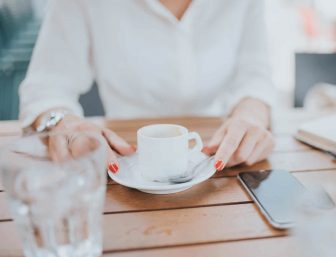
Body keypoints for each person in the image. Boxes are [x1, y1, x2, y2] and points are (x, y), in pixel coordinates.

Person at [20, 0, 276, 173]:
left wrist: (250, 116)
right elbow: (45, 89)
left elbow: (256, 76)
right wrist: (64, 124)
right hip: (122, 164)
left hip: (218, 160)